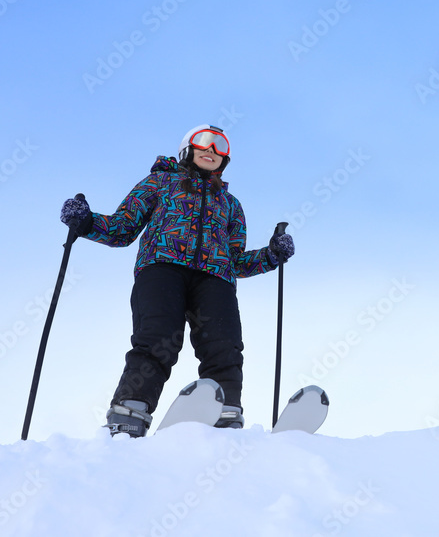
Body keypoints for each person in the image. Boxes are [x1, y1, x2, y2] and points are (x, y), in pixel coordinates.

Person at [58, 124, 294, 437]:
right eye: (204, 143)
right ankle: (131, 408)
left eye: (220, 146)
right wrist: (85, 221)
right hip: (162, 268)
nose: (211, 150)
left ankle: (224, 412)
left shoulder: (231, 204)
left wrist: (272, 255)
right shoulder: (159, 182)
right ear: (187, 148)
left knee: (224, 345)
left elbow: (236, 261)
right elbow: (121, 229)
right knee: (157, 338)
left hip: (216, 278)